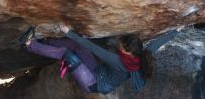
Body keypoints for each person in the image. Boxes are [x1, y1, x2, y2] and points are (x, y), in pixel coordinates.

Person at [19, 25, 179, 94]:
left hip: (93, 84)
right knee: (75, 44)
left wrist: (67, 31)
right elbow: (158, 43)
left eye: (121, 46)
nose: (118, 46)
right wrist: (176, 31)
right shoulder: (142, 53)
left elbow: (90, 46)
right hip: (97, 71)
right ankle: (45, 42)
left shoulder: (118, 61)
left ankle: (30, 44)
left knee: (68, 54)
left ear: (127, 52)